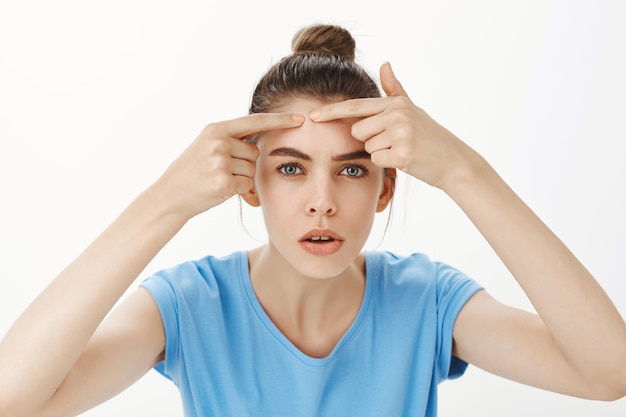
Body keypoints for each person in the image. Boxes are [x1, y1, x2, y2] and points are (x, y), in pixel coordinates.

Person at [0, 23, 624, 417]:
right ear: (250, 183)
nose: (321, 201)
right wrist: (166, 200)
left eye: (351, 170)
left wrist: (464, 170)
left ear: (385, 189)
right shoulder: (191, 304)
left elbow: (608, 373)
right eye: (292, 169)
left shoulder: (426, 301)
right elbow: (13, 399)